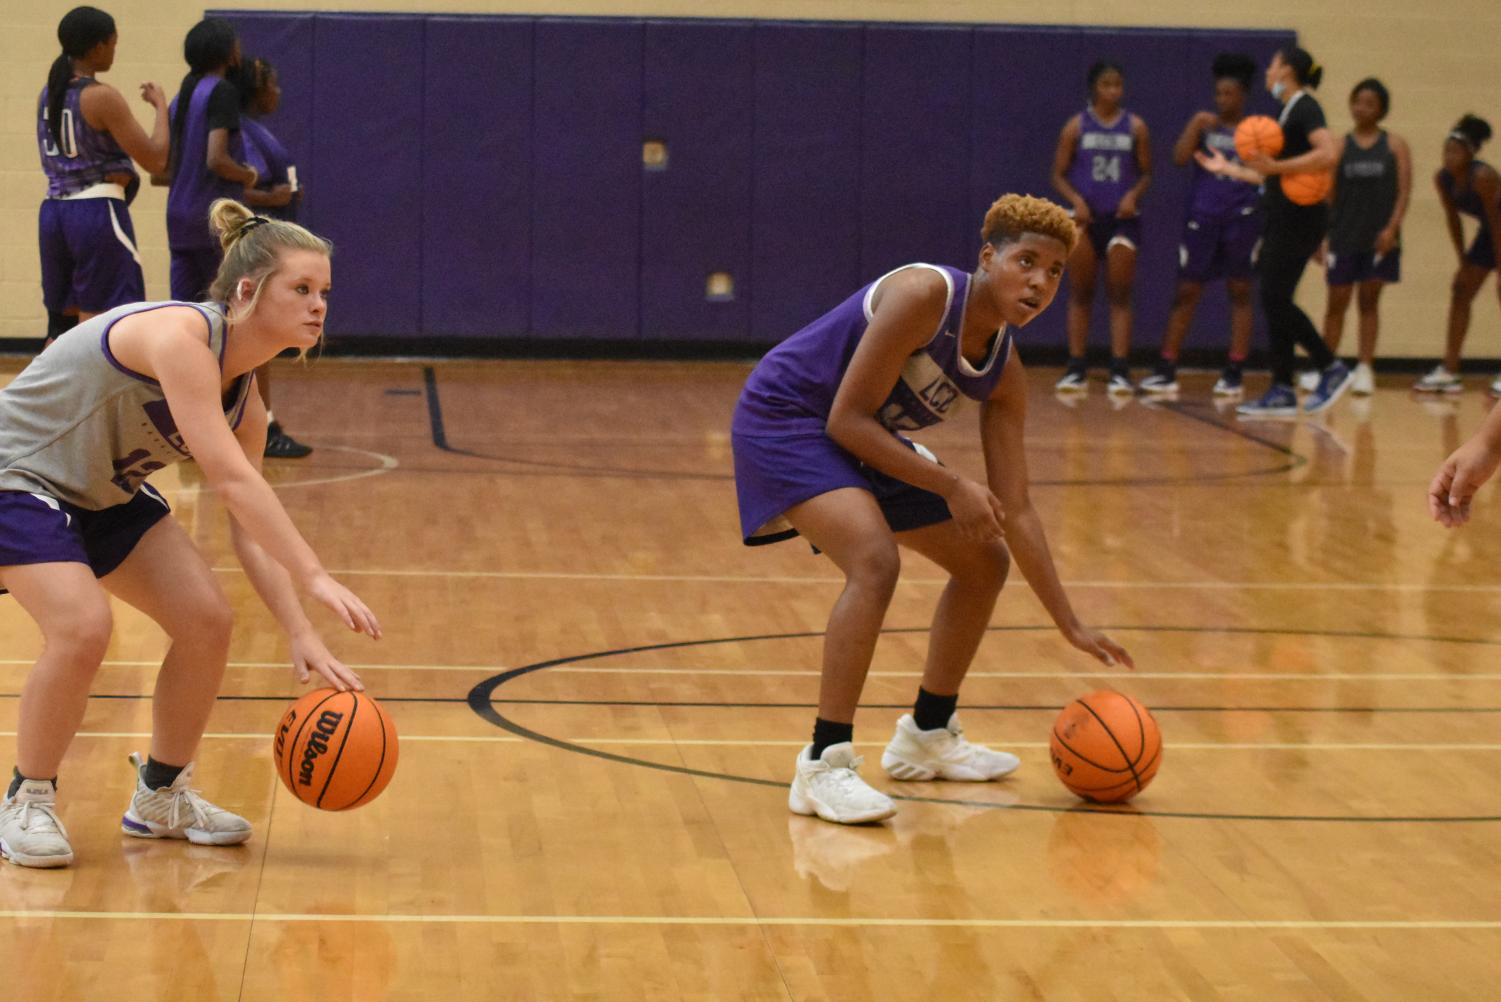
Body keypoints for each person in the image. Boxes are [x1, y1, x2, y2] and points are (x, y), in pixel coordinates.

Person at [0, 199, 382, 869]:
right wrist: (316, 575)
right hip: (18, 473)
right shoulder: (181, 339)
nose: (318, 305)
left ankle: (160, 795)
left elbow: (249, 530)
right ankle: (27, 798)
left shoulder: (248, 403)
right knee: (83, 626)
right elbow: (233, 483)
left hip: (98, 491)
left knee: (206, 620)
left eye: (323, 291)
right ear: (245, 291)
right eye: (300, 289)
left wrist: (298, 628)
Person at [730, 194, 1134, 826]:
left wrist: (1069, 622)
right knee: (874, 560)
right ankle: (823, 763)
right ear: (987, 257)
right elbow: (846, 417)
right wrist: (951, 486)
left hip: (861, 435)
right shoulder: (925, 295)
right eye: (1026, 261)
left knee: (984, 561)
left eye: (1055, 272)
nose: (1040, 282)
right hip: (787, 420)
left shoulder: (1004, 368)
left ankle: (928, 731)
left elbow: (1018, 509)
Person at [1197, 46, 1350, 417]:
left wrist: (1277, 167)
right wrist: (1229, 169)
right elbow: (1270, 175)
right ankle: (1282, 386)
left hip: (1300, 219)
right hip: (1285, 215)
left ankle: (1329, 367)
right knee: (1272, 298)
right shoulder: (1287, 111)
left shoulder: (1305, 106)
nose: (1267, 71)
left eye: (1273, 65)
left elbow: (1328, 153)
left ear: (1286, 72)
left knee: (1274, 297)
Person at [37, 6, 169, 346]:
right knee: (104, 319)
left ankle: (49, 397)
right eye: (112, 43)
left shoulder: (47, 95)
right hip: (94, 213)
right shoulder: (100, 96)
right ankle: (94, 397)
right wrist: (161, 108)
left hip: (54, 214)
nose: (113, 50)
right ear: (97, 47)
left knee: (61, 326)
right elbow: (155, 159)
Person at [1141, 53, 1261, 398]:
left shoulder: (1256, 132)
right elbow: (1179, 158)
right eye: (1219, 93)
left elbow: (1266, 174)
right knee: (1187, 291)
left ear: (1242, 97)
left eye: (1229, 94)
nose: (1222, 99)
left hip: (1241, 218)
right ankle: (1167, 367)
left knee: (1239, 291)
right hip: (1203, 217)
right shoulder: (1206, 126)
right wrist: (1194, 125)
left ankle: (1235, 369)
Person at [1050, 61, 1153, 396]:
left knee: (1120, 292)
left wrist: (1132, 194)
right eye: (1107, 84)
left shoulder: (1135, 126)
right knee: (1081, 292)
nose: (1114, 91)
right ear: (1095, 87)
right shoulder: (1076, 126)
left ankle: (1120, 368)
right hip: (1084, 219)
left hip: (1122, 219)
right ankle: (1076, 366)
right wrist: (1076, 200)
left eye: (1118, 85)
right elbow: (1058, 174)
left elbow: (1146, 173)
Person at [231, 55, 312, 459]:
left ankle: (255, 421)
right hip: (254, 250)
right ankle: (262, 424)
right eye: (273, 84)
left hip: (268, 245)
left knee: (255, 342)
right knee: (252, 340)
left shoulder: (256, 131)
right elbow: (236, 188)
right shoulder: (242, 135)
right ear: (257, 89)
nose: (278, 92)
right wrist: (272, 198)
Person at [1319, 78, 1411, 396]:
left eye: (1370, 103)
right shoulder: (1341, 146)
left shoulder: (1395, 145)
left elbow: (1403, 192)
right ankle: (1326, 368)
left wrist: (1392, 229)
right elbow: (1328, 195)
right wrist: (1324, 235)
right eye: (1358, 101)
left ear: (1381, 108)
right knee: (1335, 304)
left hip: (1378, 239)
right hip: (1344, 234)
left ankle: (1364, 368)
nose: (1362, 108)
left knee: (1369, 303)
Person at [163, 18, 254, 303]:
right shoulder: (222, 91)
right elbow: (217, 160)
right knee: (224, 307)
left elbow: (162, 171)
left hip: (177, 216)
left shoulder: (181, 98)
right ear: (229, 52)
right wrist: (247, 175)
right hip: (213, 218)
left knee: (183, 310)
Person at [1412, 115, 1501, 396]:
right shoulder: (1443, 179)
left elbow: (1497, 222)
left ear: (1471, 153)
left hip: (1498, 229)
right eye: (1446, 150)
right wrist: (1463, 261)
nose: (1448, 157)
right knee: (1461, 290)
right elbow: (1454, 220)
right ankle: (1450, 371)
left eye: (1455, 151)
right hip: (1491, 233)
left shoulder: (1484, 178)